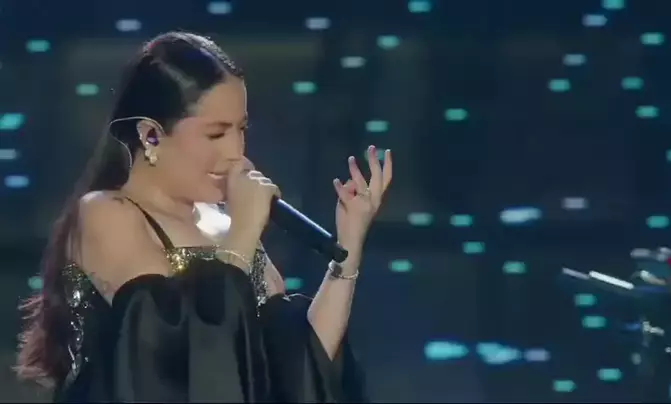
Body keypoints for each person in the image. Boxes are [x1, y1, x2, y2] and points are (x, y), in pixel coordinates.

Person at [15, 31, 392, 402]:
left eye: (241, 129)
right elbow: (175, 357)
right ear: (150, 135)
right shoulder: (106, 214)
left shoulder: (229, 226)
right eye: (215, 134)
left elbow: (298, 363)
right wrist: (243, 232)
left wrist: (348, 246)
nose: (235, 152)